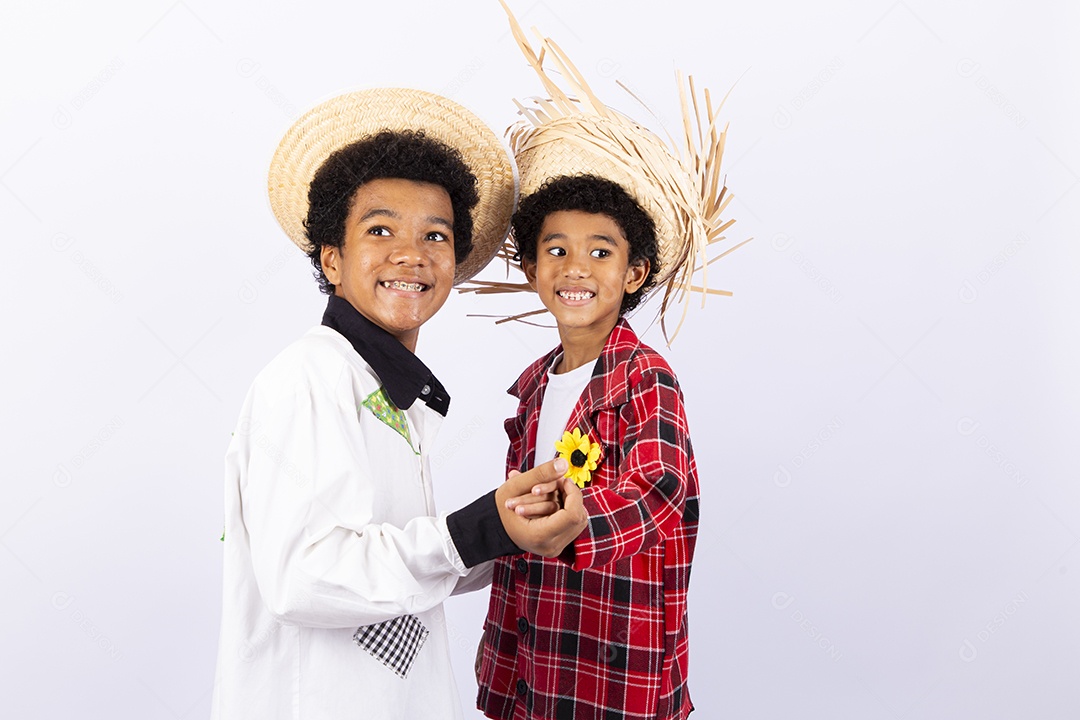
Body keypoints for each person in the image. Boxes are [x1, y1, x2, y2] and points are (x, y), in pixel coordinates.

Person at [211, 88, 586, 720]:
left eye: (434, 235)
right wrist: (481, 529)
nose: (411, 254)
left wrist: (510, 531)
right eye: (380, 229)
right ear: (332, 259)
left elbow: (397, 561)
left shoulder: (391, 391)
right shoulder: (307, 378)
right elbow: (303, 576)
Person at [474, 10, 742, 720]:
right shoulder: (533, 387)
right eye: (556, 249)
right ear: (530, 267)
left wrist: (569, 525)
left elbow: (658, 493)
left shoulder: (643, 377)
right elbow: (519, 514)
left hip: (613, 671)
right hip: (532, 656)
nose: (576, 268)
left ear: (634, 273)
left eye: (601, 250)